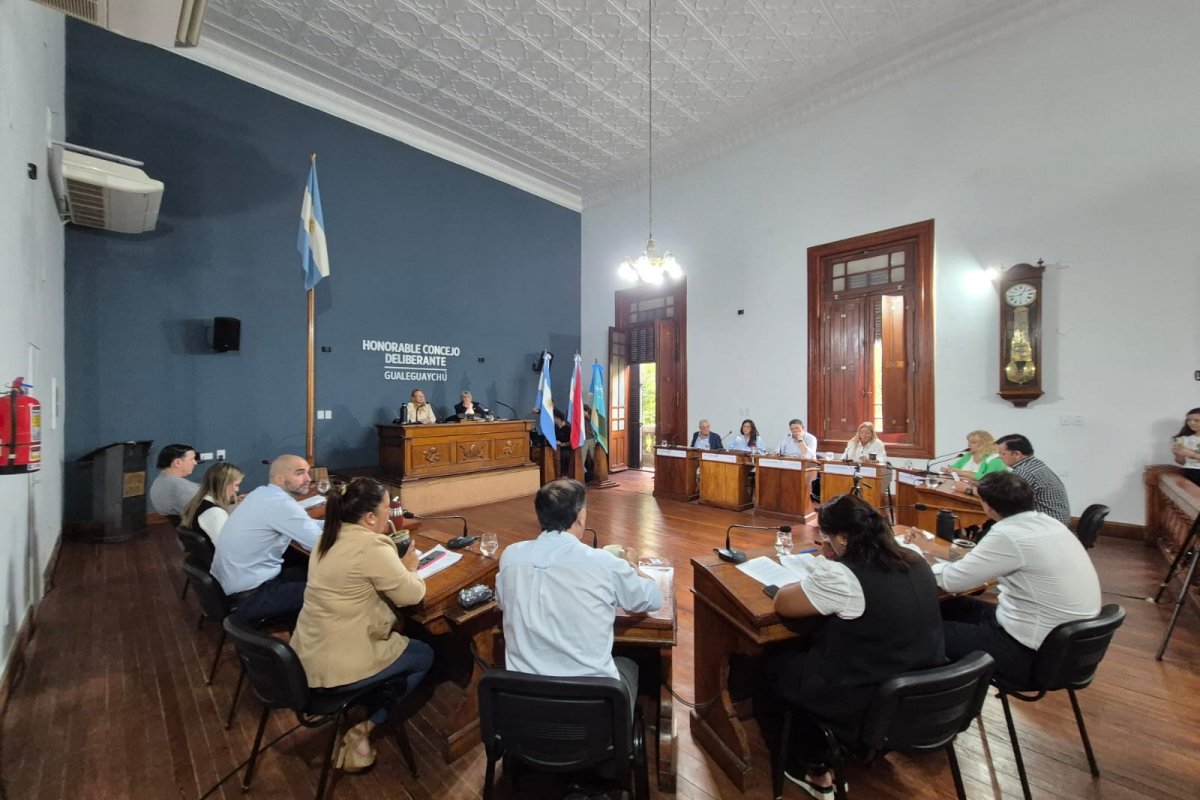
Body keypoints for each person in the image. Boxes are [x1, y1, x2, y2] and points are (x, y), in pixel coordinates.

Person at [768, 494, 945, 795]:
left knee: (773, 660)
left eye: (826, 536)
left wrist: (826, 558)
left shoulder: (844, 576)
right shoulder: (913, 558)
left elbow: (784, 603)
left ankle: (814, 766)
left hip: (870, 698)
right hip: (924, 692)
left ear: (842, 538)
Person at [290, 478, 433, 774]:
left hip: (304, 656)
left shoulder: (328, 536)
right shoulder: (369, 546)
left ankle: (371, 693)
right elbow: (411, 595)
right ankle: (366, 726)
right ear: (369, 517)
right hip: (338, 664)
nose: (390, 513)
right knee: (424, 655)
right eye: (386, 508)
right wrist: (411, 568)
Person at [905, 471, 1100, 686]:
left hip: (1030, 653)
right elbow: (984, 560)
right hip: (1066, 645)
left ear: (987, 505)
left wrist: (911, 560)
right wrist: (933, 548)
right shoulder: (1048, 524)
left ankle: (939, 699)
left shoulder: (1008, 534)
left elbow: (953, 581)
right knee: (949, 606)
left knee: (915, 632)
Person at [496, 479, 662, 711]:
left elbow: (503, 602)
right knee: (630, 664)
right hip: (592, 706)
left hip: (526, 703)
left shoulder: (511, 556)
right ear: (581, 515)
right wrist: (633, 566)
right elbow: (653, 599)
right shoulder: (605, 563)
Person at [210, 454, 323, 621]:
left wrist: (340, 524)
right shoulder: (281, 505)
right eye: (300, 473)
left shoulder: (262, 493)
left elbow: (307, 525)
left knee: (313, 571)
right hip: (250, 596)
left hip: (232, 584)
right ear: (279, 479)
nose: (308, 479)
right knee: (333, 589)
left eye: (308, 472)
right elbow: (319, 544)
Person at [995, 434, 1070, 525]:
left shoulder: (1024, 471)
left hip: (1047, 525)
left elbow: (1004, 499)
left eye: (1002, 453)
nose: (999, 457)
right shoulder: (1035, 464)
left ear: (1017, 454)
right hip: (1056, 522)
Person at [179, 462, 244, 545]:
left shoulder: (199, 502)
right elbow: (227, 547)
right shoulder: (214, 513)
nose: (237, 490)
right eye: (236, 485)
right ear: (224, 485)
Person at [149, 443, 200, 520]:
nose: (195, 463)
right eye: (192, 459)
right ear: (177, 463)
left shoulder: (157, 483)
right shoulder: (181, 488)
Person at [1170, 407, 1200, 486]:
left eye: (1196, 420)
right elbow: (1182, 462)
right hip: (1190, 472)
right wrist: (1178, 455)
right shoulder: (1184, 439)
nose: (1191, 423)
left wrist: (1191, 454)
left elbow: (1190, 454)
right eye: (1189, 420)